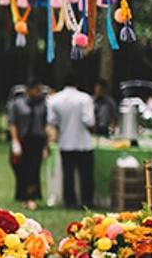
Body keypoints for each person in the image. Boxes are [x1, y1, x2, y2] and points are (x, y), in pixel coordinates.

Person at [47, 77, 96, 210]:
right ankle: (87, 201)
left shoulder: (55, 99)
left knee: (68, 175)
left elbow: (52, 121)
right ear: (77, 84)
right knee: (86, 175)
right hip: (83, 143)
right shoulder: (84, 98)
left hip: (65, 142)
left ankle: (70, 201)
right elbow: (89, 120)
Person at [8, 79, 49, 210]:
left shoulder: (43, 105)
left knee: (34, 169)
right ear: (29, 89)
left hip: (37, 139)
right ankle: (23, 195)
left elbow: (45, 125)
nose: (38, 92)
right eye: (36, 89)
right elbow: (12, 122)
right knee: (21, 168)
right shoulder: (18, 103)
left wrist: (46, 145)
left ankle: (31, 196)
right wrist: (15, 141)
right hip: (22, 138)